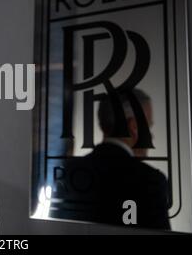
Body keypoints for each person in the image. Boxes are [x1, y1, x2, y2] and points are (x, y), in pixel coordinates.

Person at [53, 89, 171, 229]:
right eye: (148, 127)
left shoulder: (66, 171)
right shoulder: (150, 180)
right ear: (133, 127)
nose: (151, 136)